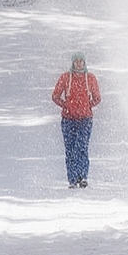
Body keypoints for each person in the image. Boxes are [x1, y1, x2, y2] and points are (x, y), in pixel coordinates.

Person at [50, 53, 101, 188]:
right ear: (72, 63)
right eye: (76, 61)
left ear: (84, 63)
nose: (78, 64)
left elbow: (97, 97)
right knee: (70, 148)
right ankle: (72, 179)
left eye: (81, 61)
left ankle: (82, 176)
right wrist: (65, 105)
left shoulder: (90, 78)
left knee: (82, 147)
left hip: (85, 119)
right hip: (68, 119)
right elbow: (55, 96)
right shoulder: (65, 78)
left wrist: (87, 106)